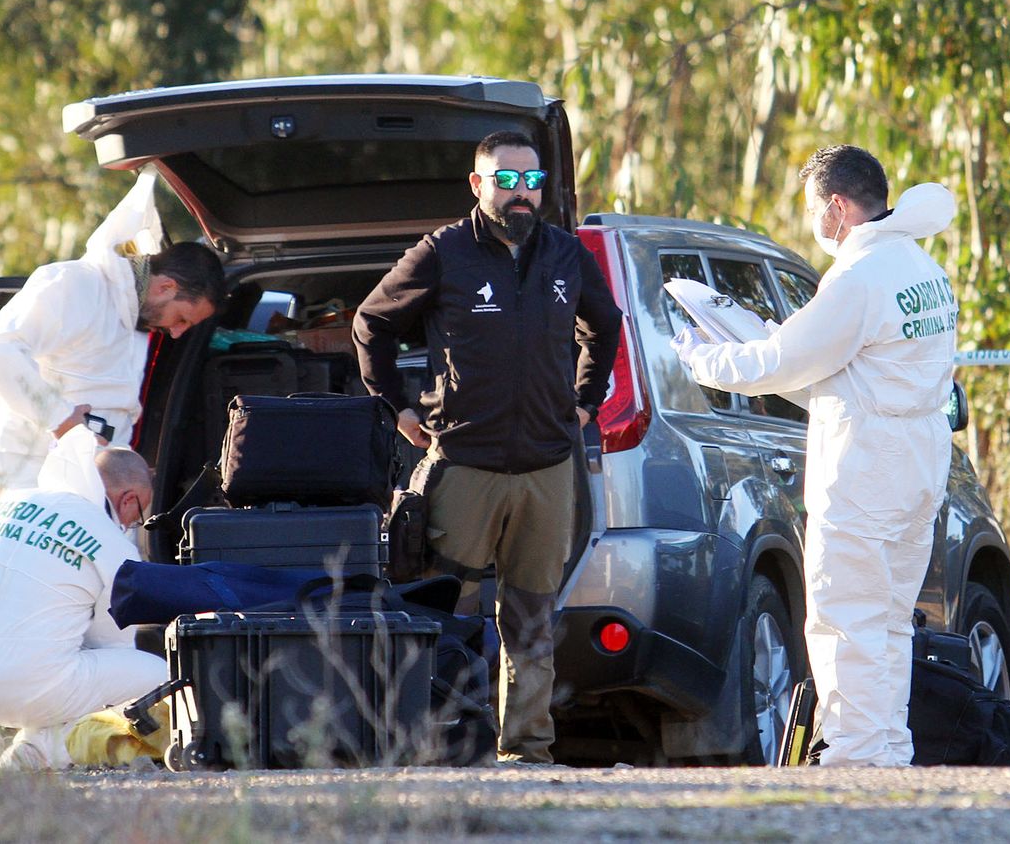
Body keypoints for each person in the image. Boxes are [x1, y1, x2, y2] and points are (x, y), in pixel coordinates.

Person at [671, 145, 960, 768]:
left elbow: (781, 364)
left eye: (812, 210)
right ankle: (886, 746)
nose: (813, 225)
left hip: (866, 466)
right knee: (886, 618)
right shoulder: (920, 267)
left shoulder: (859, 277)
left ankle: (856, 758)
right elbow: (834, 369)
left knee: (843, 611)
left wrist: (702, 356)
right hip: (916, 463)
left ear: (837, 207)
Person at [353, 129, 622, 764]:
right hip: (462, 465)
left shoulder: (564, 253)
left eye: (531, 181)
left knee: (531, 617)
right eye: (507, 180)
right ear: (479, 185)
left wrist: (585, 403)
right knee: (438, 609)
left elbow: (604, 324)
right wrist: (399, 408)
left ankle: (525, 749)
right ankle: (426, 747)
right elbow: (371, 324)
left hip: (546, 467)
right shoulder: (442, 253)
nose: (521, 192)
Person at [0, 173, 225, 518]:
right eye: (181, 319)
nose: (177, 333)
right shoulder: (76, 285)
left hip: (94, 495)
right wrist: (60, 420)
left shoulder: (133, 320)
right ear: (166, 287)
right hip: (33, 490)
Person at [0, 431, 167, 771]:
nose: (132, 523)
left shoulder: (2, 508)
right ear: (127, 500)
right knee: (158, 674)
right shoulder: (111, 540)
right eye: (137, 511)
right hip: (26, 688)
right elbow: (112, 644)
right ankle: (30, 756)